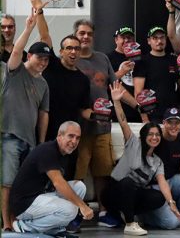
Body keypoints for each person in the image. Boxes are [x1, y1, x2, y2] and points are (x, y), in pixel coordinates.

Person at [105, 81, 180, 235]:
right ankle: (129, 224)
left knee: (158, 197)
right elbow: (123, 122)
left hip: (133, 195)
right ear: (143, 136)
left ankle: (130, 214)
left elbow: (162, 183)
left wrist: (171, 203)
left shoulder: (157, 162)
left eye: (157, 135)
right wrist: (116, 101)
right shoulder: (134, 144)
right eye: (150, 134)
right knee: (128, 182)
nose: (154, 137)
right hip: (114, 192)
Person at [2, 9, 51, 230]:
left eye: (46, 59)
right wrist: (29, 27)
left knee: (22, 184)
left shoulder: (43, 84)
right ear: (29, 56)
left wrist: (40, 142)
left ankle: (17, 220)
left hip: (30, 141)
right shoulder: (14, 71)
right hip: (9, 136)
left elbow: (43, 114)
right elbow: (16, 51)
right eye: (40, 57)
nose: (43, 62)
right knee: (7, 182)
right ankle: (7, 223)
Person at [72, 19, 122, 228]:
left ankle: (103, 211)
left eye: (89, 34)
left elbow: (115, 87)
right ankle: (74, 212)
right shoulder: (71, 59)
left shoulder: (102, 58)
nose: (85, 37)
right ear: (75, 35)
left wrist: (138, 106)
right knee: (77, 173)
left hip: (103, 127)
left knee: (103, 171)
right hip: (78, 129)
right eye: (82, 33)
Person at [8, 121, 93, 235]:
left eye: (77, 138)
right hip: (25, 204)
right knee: (70, 210)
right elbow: (58, 183)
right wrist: (83, 206)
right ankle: (25, 226)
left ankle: (56, 227)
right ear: (59, 136)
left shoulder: (64, 153)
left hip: (41, 195)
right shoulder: (48, 150)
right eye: (71, 136)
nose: (74, 141)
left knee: (79, 187)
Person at [140, 108, 180, 230]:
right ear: (163, 123)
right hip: (154, 185)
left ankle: (179, 215)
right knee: (171, 223)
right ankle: (142, 215)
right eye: (170, 122)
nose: (173, 126)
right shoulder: (155, 138)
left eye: (177, 122)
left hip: (171, 180)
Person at [42, 36, 90, 143]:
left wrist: (100, 117)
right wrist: (34, 23)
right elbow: (44, 35)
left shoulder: (83, 80)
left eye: (77, 49)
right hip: (45, 132)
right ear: (61, 52)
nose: (73, 51)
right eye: (69, 48)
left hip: (69, 137)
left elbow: (83, 109)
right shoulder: (51, 64)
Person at [133, 26, 180, 123]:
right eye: (155, 38)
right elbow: (138, 93)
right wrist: (144, 118)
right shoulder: (142, 62)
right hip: (152, 115)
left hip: (172, 114)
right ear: (149, 41)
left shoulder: (174, 60)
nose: (159, 41)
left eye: (162, 37)